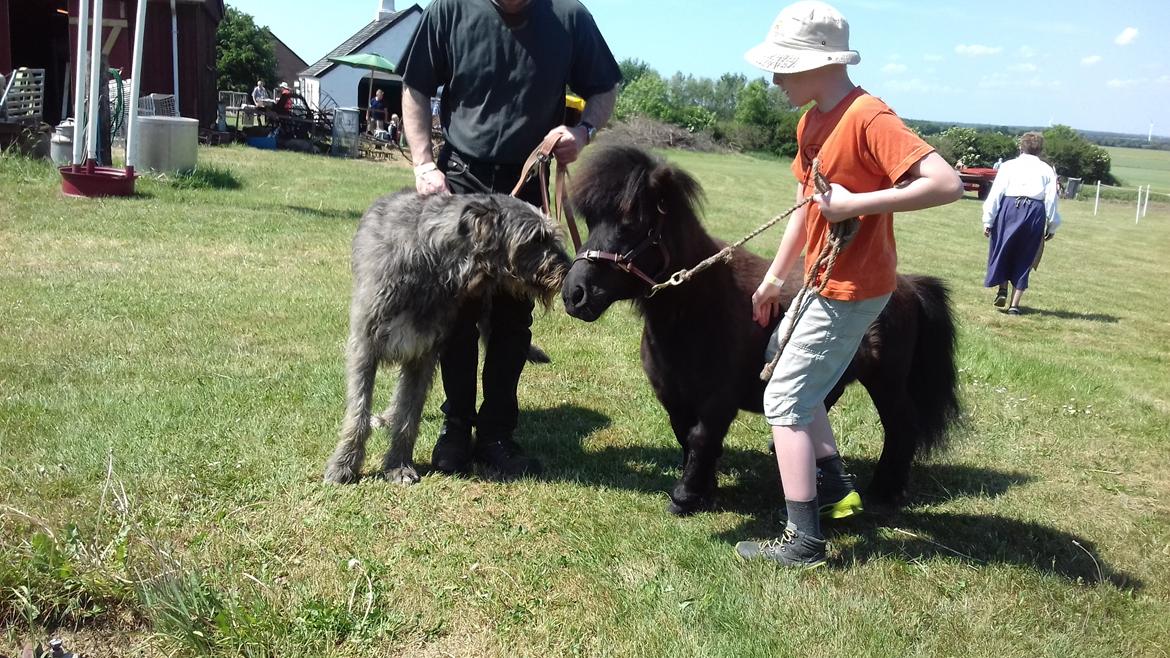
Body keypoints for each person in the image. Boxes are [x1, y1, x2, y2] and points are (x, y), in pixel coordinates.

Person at [737, 0, 963, 567]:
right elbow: (803, 206)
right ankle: (834, 488)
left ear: (820, 62)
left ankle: (804, 539)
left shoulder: (869, 118)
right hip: (817, 279)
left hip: (852, 289)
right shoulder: (811, 120)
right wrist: (772, 279)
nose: (775, 78)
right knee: (782, 365)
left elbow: (946, 183)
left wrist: (857, 203)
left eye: (785, 66)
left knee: (784, 401)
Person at [399, 0, 621, 479]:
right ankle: (455, 428)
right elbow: (415, 86)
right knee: (456, 312)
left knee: (514, 316)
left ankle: (497, 434)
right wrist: (423, 163)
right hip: (462, 182)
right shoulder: (450, 10)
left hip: (529, 182)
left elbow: (605, 86)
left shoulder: (568, 16)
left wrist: (583, 131)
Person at [981, 132, 1058, 314]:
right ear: (1040, 149)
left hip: (1009, 208)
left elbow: (996, 193)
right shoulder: (1046, 169)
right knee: (1026, 255)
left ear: (1020, 147)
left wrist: (988, 220)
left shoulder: (1008, 166)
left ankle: (1002, 289)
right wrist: (1052, 225)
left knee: (1003, 249)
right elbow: (1051, 200)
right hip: (1034, 211)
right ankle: (1014, 305)